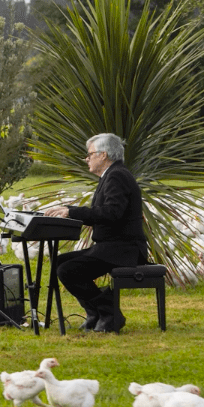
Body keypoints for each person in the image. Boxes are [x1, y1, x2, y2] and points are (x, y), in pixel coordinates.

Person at [47, 132, 147, 333]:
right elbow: (104, 213)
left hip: (123, 249)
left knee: (68, 269)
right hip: (112, 247)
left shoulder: (117, 175)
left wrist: (71, 212)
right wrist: (69, 213)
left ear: (103, 155)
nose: (87, 159)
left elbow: (112, 213)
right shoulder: (111, 174)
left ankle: (109, 314)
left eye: (90, 154)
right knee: (61, 262)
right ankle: (95, 313)